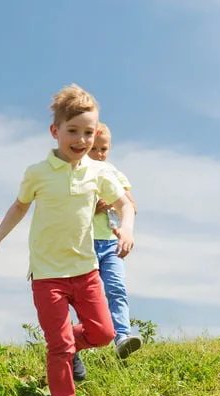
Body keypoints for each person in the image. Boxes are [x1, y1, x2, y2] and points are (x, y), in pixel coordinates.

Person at [0, 85, 135, 396]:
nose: (81, 140)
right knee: (59, 346)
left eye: (88, 133)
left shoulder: (99, 171)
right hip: (47, 275)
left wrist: (126, 228)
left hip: (86, 270)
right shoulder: (38, 172)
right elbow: (19, 206)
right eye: (73, 131)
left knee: (104, 333)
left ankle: (68, 346)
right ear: (55, 131)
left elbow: (125, 203)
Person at [89, 122, 142, 359]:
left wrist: (113, 202)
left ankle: (122, 337)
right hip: (84, 243)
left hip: (110, 243)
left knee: (116, 288)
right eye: (94, 149)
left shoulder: (112, 172)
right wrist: (92, 207)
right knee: (88, 296)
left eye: (104, 149)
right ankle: (90, 339)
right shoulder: (76, 173)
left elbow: (132, 206)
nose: (99, 154)